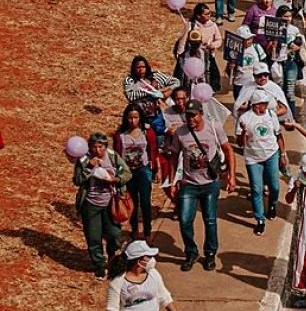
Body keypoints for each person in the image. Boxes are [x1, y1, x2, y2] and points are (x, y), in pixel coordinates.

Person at [166, 100, 236, 272]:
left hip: (210, 183)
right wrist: (173, 179)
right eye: (188, 115)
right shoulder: (180, 133)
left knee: (210, 220)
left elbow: (228, 150)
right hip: (189, 183)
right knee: (184, 220)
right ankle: (191, 252)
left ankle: (210, 253)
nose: (190, 119)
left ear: (201, 114)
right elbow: (174, 156)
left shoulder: (213, 127)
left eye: (194, 115)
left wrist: (231, 176)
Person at [74, 132, 132, 279]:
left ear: (106, 147)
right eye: (94, 147)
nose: (97, 150)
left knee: (113, 233)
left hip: (110, 202)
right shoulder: (84, 159)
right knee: (93, 237)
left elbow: (127, 173)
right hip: (91, 204)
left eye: (100, 147)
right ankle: (99, 265)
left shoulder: (113, 157)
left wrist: (116, 179)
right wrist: (88, 168)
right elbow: (77, 180)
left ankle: (112, 257)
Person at [236, 90, 288, 235]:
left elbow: (279, 135)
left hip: (271, 154)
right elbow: (240, 143)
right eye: (263, 103)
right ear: (255, 104)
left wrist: (283, 154)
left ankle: (272, 205)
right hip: (253, 158)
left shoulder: (271, 115)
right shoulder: (245, 119)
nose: (265, 106)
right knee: (256, 189)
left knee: (275, 186)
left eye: (266, 103)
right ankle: (260, 219)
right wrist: (243, 133)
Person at [106, 240, 184, 311]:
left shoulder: (153, 274)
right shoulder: (118, 281)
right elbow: (112, 310)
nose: (152, 259)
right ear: (138, 261)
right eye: (149, 257)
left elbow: (164, 296)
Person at [113, 104, 159, 240]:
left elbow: (153, 150)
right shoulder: (120, 135)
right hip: (128, 172)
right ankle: (134, 229)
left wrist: (157, 170)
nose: (132, 121)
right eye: (130, 118)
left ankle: (147, 230)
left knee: (145, 201)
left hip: (143, 170)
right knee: (132, 202)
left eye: (135, 117)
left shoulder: (147, 132)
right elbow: (116, 154)